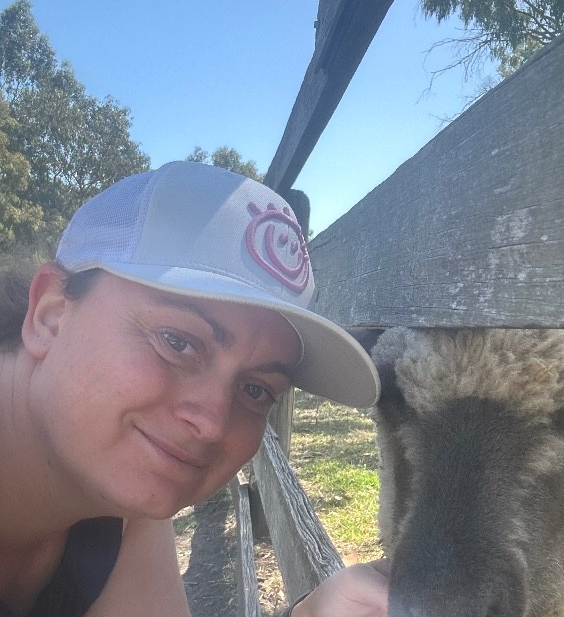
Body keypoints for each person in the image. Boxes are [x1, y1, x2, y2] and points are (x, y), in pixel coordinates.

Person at [0, 161, 389, 616]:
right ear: (49, 315)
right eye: (177, 342)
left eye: (256, 390)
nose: (211, 423)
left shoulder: (120, 502)